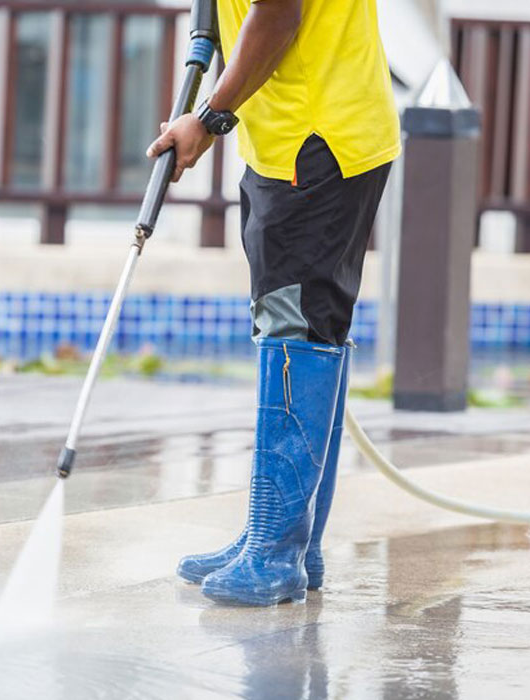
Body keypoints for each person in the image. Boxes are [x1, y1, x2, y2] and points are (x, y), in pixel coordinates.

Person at [147, 0, 400, 606]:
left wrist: (207, 118)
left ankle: (276, 551)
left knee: (298, 331)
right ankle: (288, 541)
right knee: (296, 328)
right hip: (284, 141)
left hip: (318, 142)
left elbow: (279, 13)